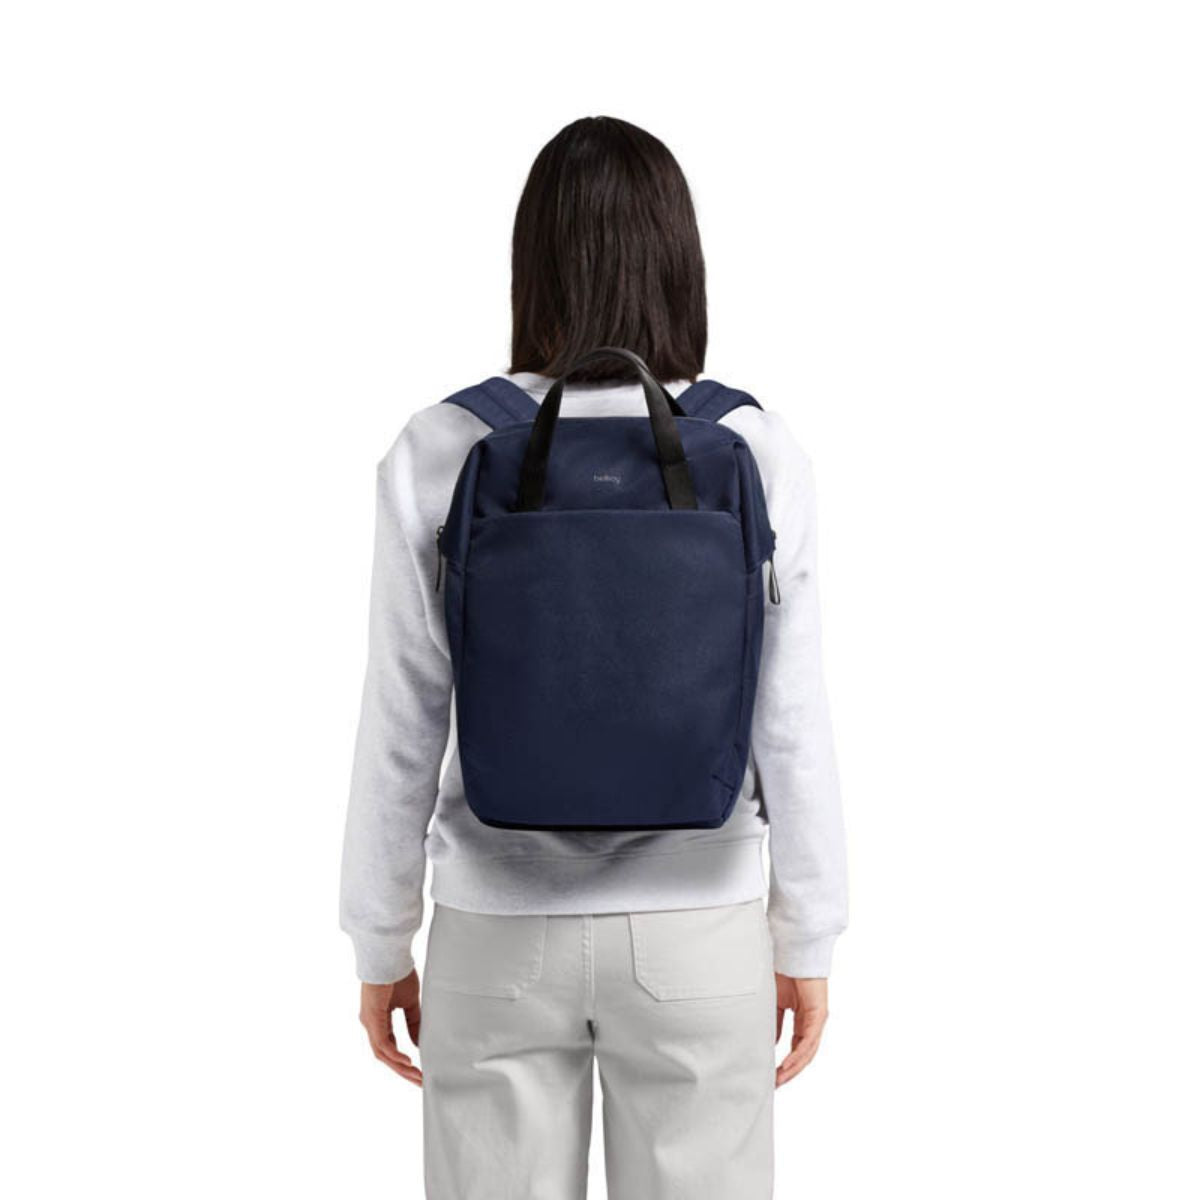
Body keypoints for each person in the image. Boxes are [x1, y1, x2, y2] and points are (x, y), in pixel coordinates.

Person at [340, 115, 848, 1200]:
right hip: (699, 930)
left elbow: (402, 718)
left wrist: (380, 938)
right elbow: (790, 718)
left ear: (531, 261)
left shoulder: (440, 446)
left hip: (494, 933)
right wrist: (807, 932)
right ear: (679, 260)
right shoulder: (756, 448)